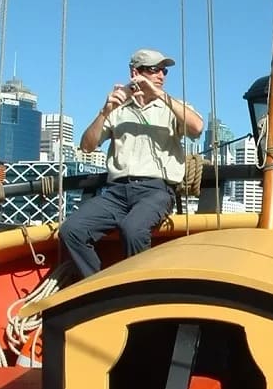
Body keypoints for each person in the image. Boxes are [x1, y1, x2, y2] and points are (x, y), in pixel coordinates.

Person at [59, 48, 204, 278]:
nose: (161, 76)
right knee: (71, 230)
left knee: (133, 229)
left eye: (164, 71)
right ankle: (98, 286)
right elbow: (87, 146)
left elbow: (197, 128)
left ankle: (138, 291)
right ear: (135, 73)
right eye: (154, 70)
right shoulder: (117, 110)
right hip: (116, 193)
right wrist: (105, 111)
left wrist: (160, 96)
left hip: (155, 191)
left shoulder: (172, 106)